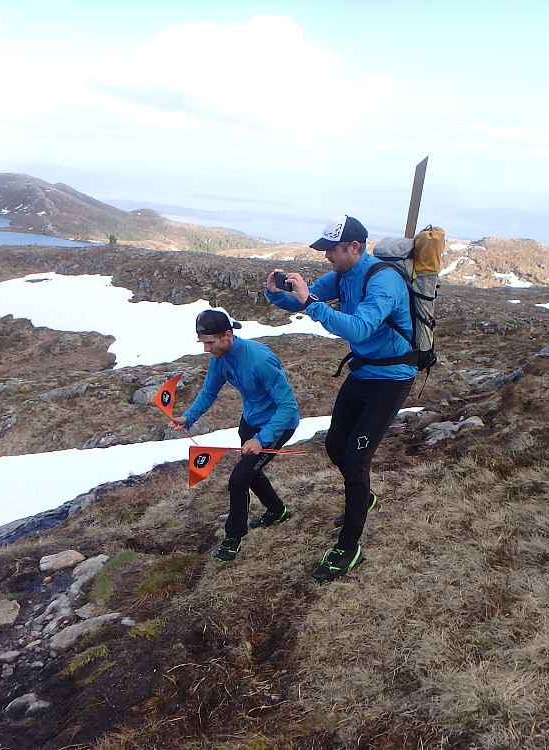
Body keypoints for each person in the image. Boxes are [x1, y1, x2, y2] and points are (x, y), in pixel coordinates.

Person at [265, 215, 415, 582]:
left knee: (357, 456)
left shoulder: (384, 280)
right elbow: (302, 300)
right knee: (335, 445)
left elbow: (362, 326)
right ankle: (363, 499)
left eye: (331, 249)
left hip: (392, 377)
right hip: (363, 371)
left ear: (354, 247)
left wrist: (312, 304)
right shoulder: (343, 275)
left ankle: (348, 548)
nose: (327, 256)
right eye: (324, 250)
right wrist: (276, 291)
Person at [170, 309, 300, 562]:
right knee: (250, 472)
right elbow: (209, 393)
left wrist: (262, 440)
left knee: (239, 479)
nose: (206, 349)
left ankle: (234, 536)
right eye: (203, 343)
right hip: (250, 421)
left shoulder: (260, 360)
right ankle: (277, 510)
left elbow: (288, 407)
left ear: (227, 335)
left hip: (277, 425)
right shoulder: (219, 358)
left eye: (210, 342)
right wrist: (188, 417)